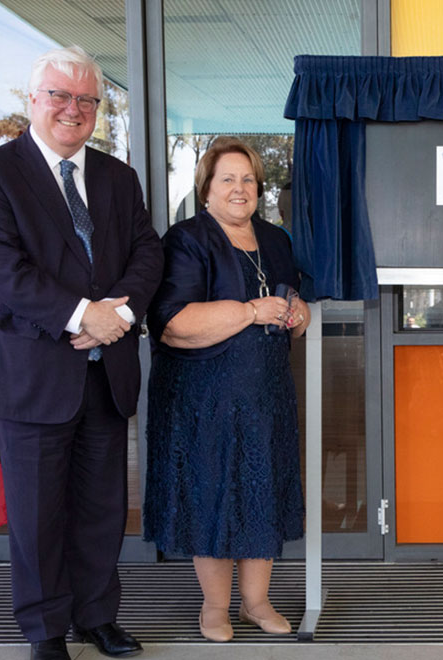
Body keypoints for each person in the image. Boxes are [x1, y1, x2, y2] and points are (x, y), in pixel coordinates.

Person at [0, 46, 163, 660]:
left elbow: (147, 254)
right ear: (33, 101)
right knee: (38, 516)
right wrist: (84, 316)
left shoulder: (116, 177)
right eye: (59, 96)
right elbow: (3, 267)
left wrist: (120, 317)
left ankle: (97, 616)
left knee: (102, 508)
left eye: (85, 100)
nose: (72, 110)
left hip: (106, 378)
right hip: (34, 377)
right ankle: (46, 631)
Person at [144, 137, 309, 642]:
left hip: (265, 395)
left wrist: (297, 313)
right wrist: (249, 312)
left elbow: (289, 302)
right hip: (203, 397)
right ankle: (214, 608)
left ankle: (257, 601)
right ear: (207, 189)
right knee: (211, 491)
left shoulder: (275, 240)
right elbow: (172, 322)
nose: (240, 189)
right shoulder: (185, 240)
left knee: (263, 491)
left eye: (248, 180)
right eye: (227, 180)